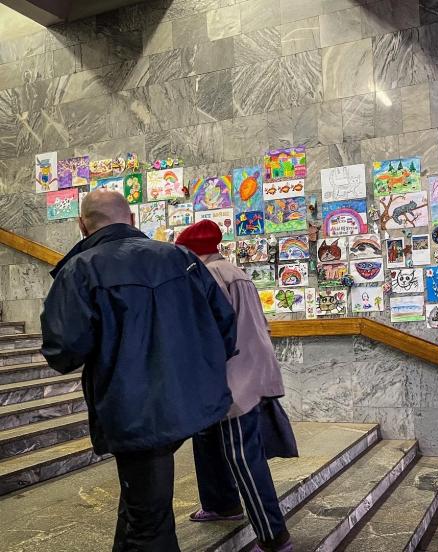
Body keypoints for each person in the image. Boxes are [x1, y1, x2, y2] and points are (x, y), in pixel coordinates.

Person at [40, 190, 238, 552]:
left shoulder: (80, 269)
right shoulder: (181, 258)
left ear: (82, 224)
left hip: (132, 408)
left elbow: (63, 352)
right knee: (143, 500)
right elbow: (224, 325)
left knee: (150, 524)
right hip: (188, 399)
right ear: (132, 219)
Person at [175, 221, 293, 552]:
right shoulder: (234, 271)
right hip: (251, 370)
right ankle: (221, 503)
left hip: (232, 378)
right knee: (207, 438)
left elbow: (210, 332)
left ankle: (274, 537)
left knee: (243, 455)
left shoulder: (207, 274)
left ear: (190, 252)